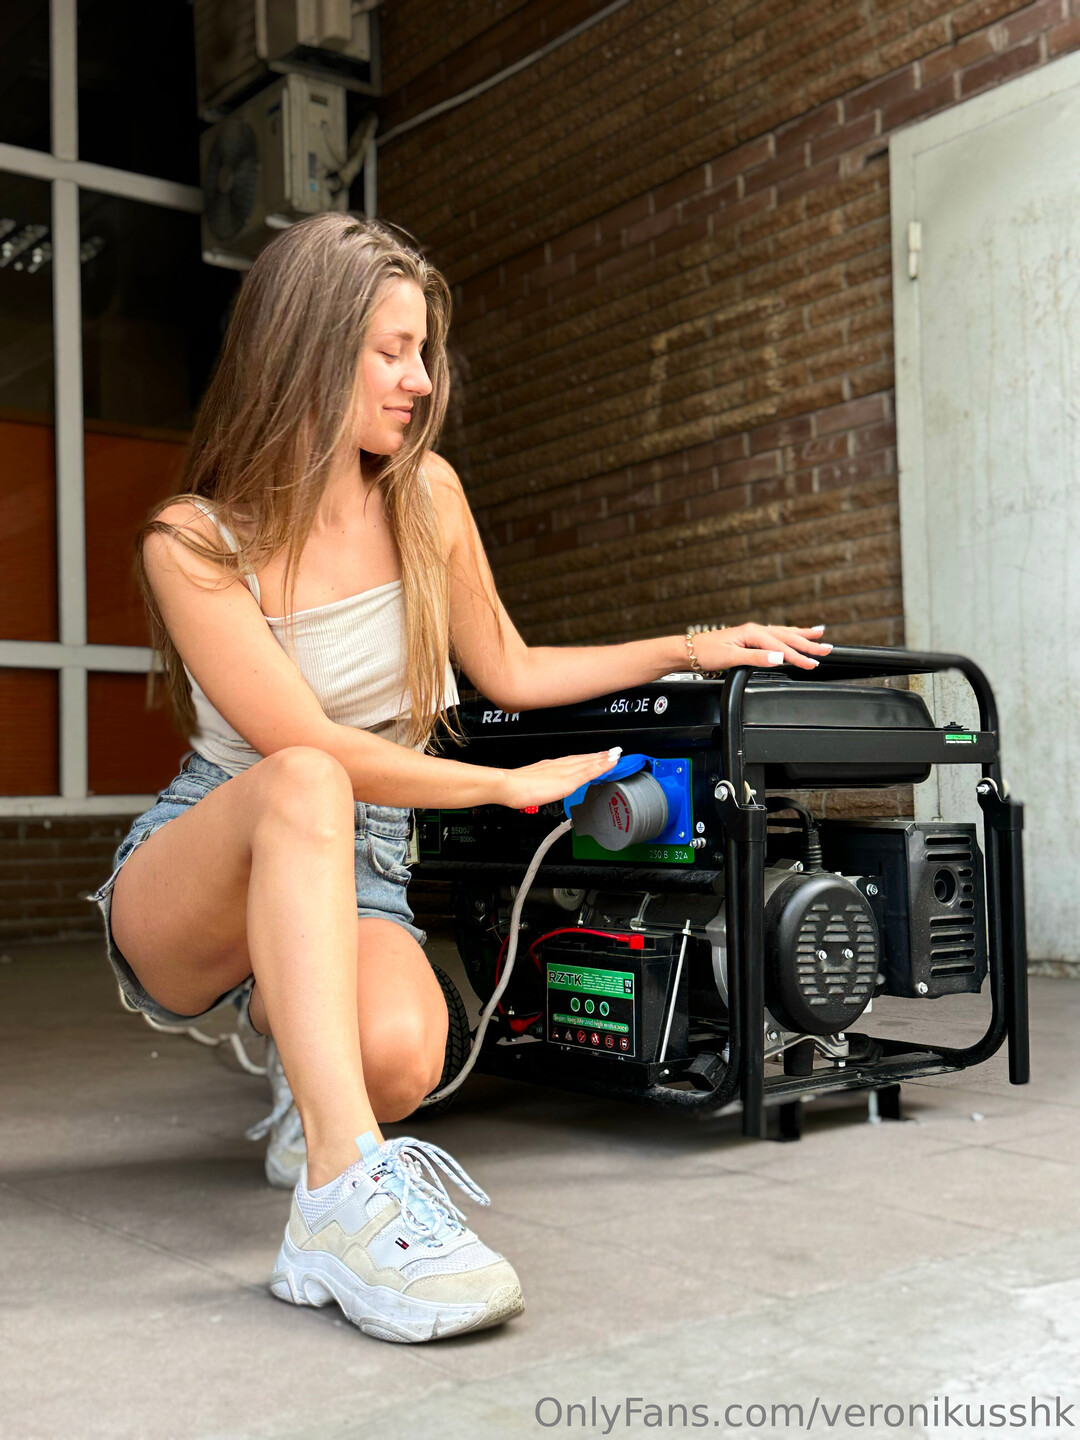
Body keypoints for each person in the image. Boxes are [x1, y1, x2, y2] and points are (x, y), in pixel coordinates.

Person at [89, 213, 830, 1344]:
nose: (421, 381)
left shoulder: (424, 495)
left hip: (361, 864)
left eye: (424, 353)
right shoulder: (192, 540)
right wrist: (499, 787)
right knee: (305, 776)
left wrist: (693, 644)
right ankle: (340, 1204)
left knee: (407, 1056)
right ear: (306, 351)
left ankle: (311, 1066)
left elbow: (512, 671)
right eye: (391, 352)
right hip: (210, 858)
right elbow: (308, 746)